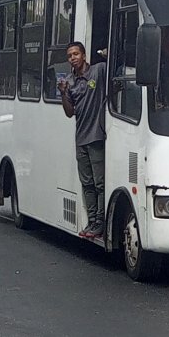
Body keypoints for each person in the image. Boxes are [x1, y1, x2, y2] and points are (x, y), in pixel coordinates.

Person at [57, 42, 107, 239]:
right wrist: (63, 93)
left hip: (97, 136)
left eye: (76, 54)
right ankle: (92, 220)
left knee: (100, 183)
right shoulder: (68, 81)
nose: (73, 58)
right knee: (86, 183)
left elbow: (117, 69)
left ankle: (100, 222)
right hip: (81, 138)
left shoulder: (98, 71)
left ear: (84, 55)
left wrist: (106, 53)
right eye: (69, 55)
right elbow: (70, 113)